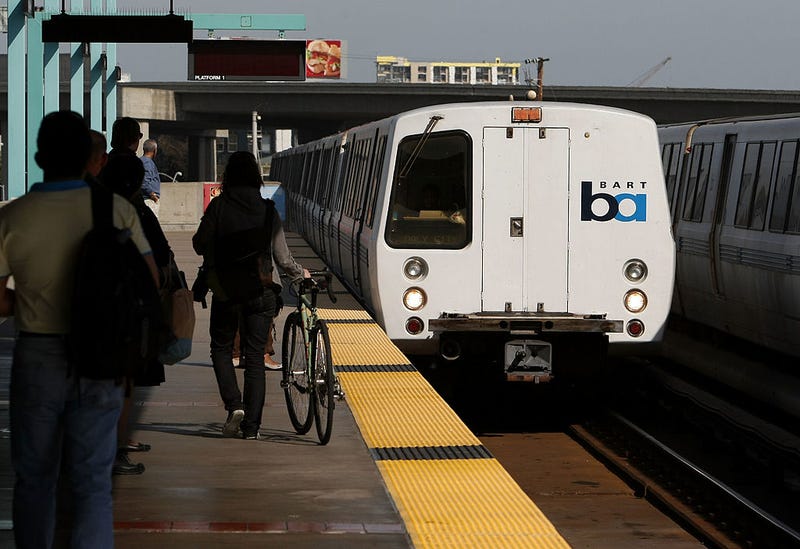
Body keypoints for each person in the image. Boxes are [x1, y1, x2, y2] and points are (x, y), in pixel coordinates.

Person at [0, 110, 156, 548]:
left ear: (38, 156)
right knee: (91, 483)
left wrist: (28, 300)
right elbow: (150, 281)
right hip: (101, 356)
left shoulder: (14, 217)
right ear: (91, 158)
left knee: (34, 479)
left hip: (38, 357)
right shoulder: (116, 209)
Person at [193, 151, 308, 440]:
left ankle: (234, 405)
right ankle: (252, 428)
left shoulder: (218, 207)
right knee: (255, 357)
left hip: (226, 291)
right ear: (256, 177)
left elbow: (198, 244)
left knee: (220, 348)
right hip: (262, 290)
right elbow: (282, 257)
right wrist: (299, 275)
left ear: (228, 177)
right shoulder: (268, 210)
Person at [101, 153, 173, 475]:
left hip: (78, 318)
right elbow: (155, 266)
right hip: (126, 315)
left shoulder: (83, 207)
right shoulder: (132, 212)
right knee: (121, 385)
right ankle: (114, 450)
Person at [140, 138, 161, 217]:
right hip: (149, 200)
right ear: (154, 150)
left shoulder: (141, 161)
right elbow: (144, 182)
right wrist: (153, 195)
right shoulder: (148, 163)